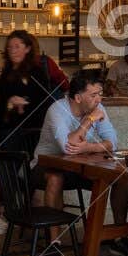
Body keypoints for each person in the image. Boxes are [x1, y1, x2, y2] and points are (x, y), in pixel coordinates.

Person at [33, 71, 117, 213]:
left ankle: (98, 233)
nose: (99, 100)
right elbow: (68, 147)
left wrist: (88, 147)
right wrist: (89, 120)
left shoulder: (98, 108)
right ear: (78, 98)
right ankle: (55, 236)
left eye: (100, 94)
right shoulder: (57, 110)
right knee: (56, 178)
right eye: (93, 95)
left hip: (76, 167)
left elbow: (113, 143)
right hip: (43, 166)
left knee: (108, 178)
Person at [0, 31, 64, 156]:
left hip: (28, 132)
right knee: (7, 170)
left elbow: (44, 102)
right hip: (6, 130)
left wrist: (24, 102)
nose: (12, 50)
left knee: (25, 170)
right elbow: (0, 102)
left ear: (27, 48)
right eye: (10, 47)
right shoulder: (6, 72)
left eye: (17, 46)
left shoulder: (37, 72)